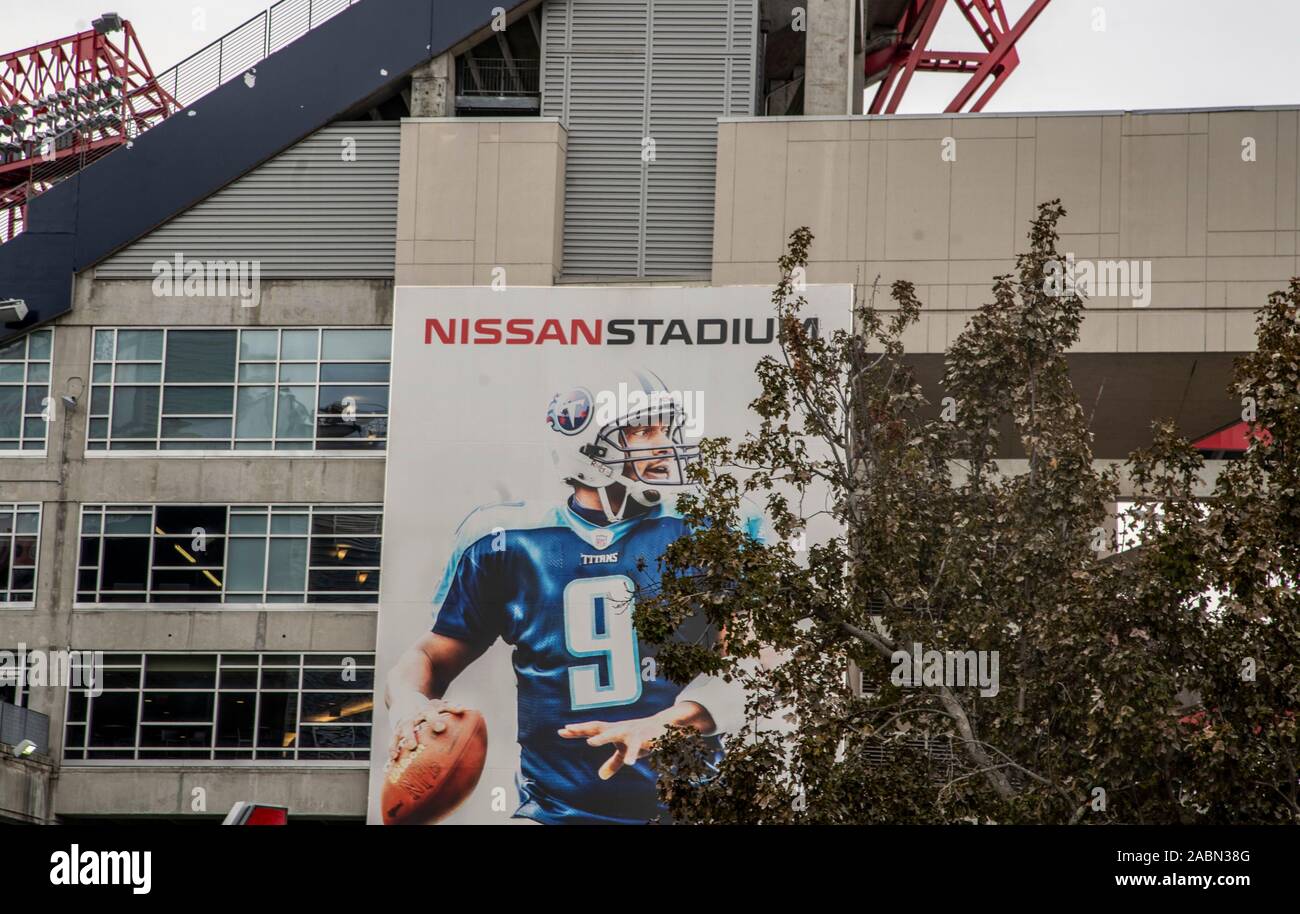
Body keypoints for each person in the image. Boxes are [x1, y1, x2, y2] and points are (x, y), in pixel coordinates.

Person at [384, 369, 756, 824]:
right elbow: (429, 656)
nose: (662, 444)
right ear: (588, 447)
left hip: (689, 808)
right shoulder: (508, 543)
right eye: (642, 430)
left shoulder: (707, 535)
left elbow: (757, 675)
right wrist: (408, 704)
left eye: (666, 428)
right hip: (550, 812)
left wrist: (662, 724)